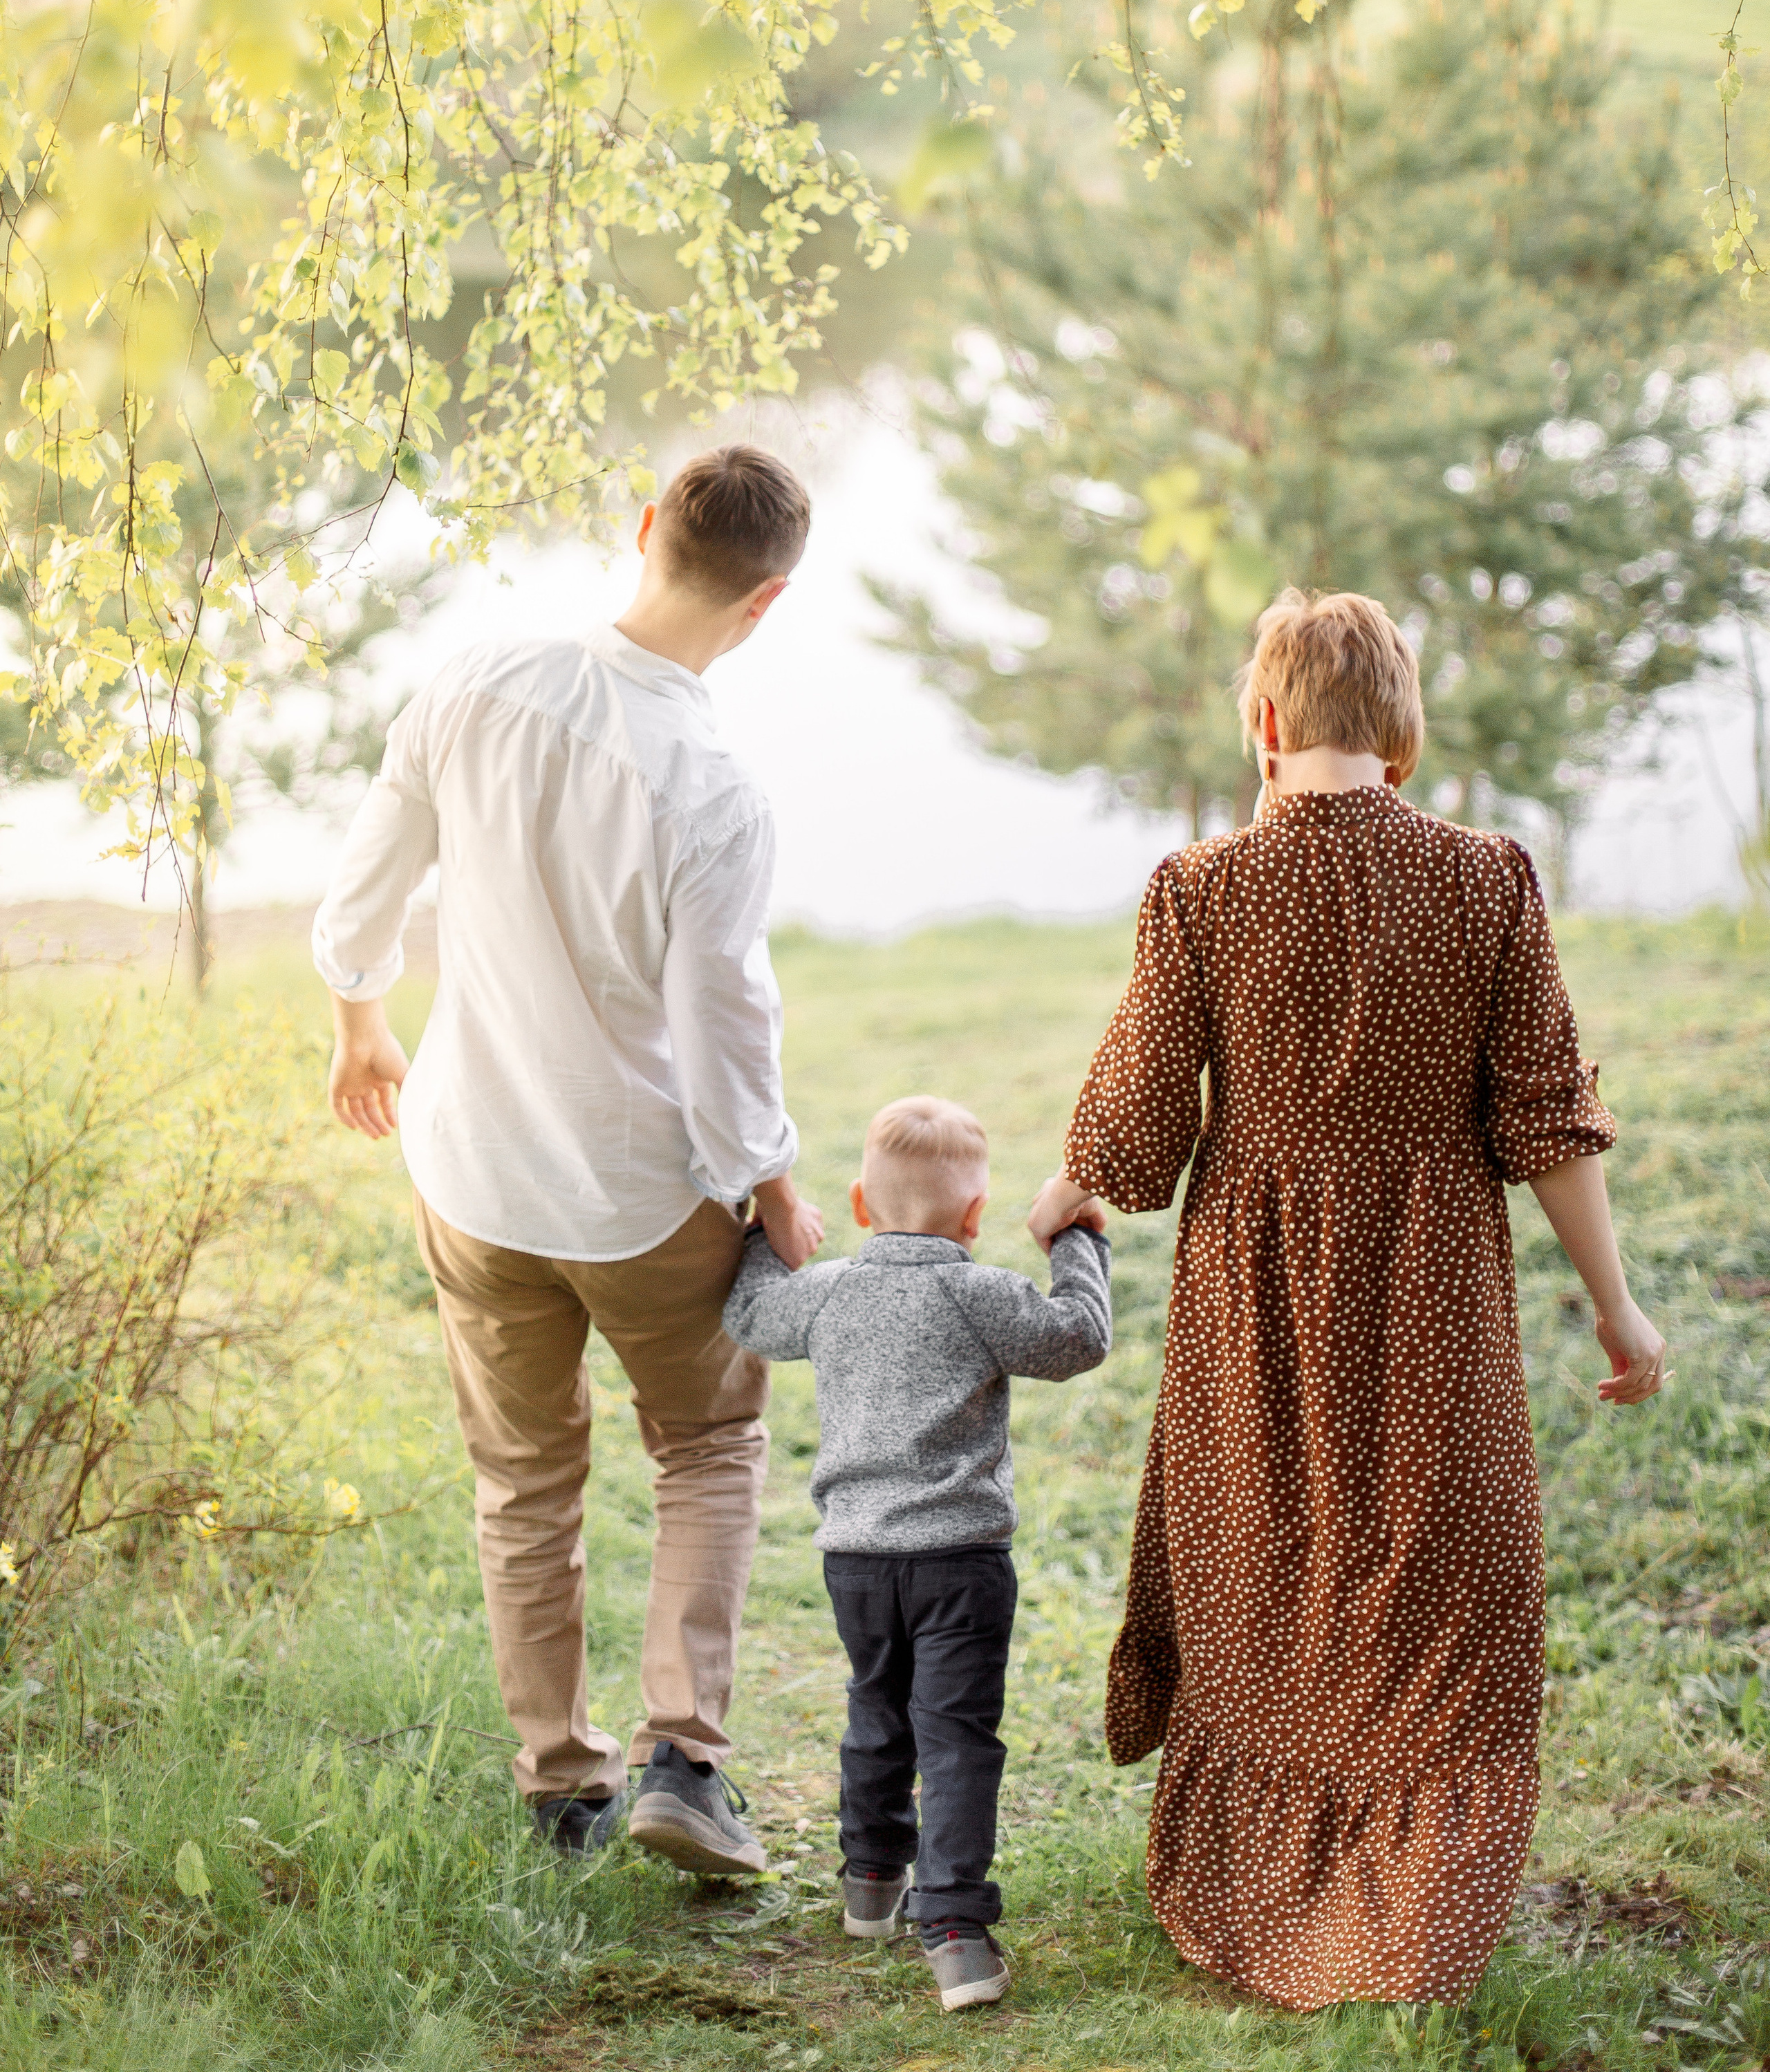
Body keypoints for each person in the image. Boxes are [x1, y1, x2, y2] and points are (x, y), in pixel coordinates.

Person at [1029, 587, 1667, 2012]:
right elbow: (1547, 1124)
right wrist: (1615, 1311)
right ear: (1402, 733)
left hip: (1252, 1284)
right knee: (1432, 1562)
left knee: (1262, 1544)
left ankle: (1270, 1876)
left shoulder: (1198, 889)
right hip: (1432, 1269)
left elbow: (1133, 1144)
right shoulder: (1488, 876)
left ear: (1262, 726)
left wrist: (1071, 1184)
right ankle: (1414, 1898)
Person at [313, 444, 826, 1878]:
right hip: (634, 1193)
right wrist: (767, 1178)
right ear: (766, 603)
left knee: (523, 1478)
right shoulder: (713, 787)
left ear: (644, 525)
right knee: (709, 1446)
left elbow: (364, 879)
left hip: (470, 1171)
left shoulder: (474, 677)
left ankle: (557, 1787)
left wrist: (360, 1019)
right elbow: (722, 1024)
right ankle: (683, 1763)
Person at [723, 1095, 1113, 2012]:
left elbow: (749, 1315)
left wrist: (763, 1224)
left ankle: (869, 1886)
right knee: (957, 1736)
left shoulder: (827, 1294)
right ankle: (955, 1933)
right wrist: (1078, 1243)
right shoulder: (980, 1295)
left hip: (856, 1559)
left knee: (876, 1709)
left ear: (860, 1204)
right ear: (976, 1218)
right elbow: (1079, 1339)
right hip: (961, 1562)